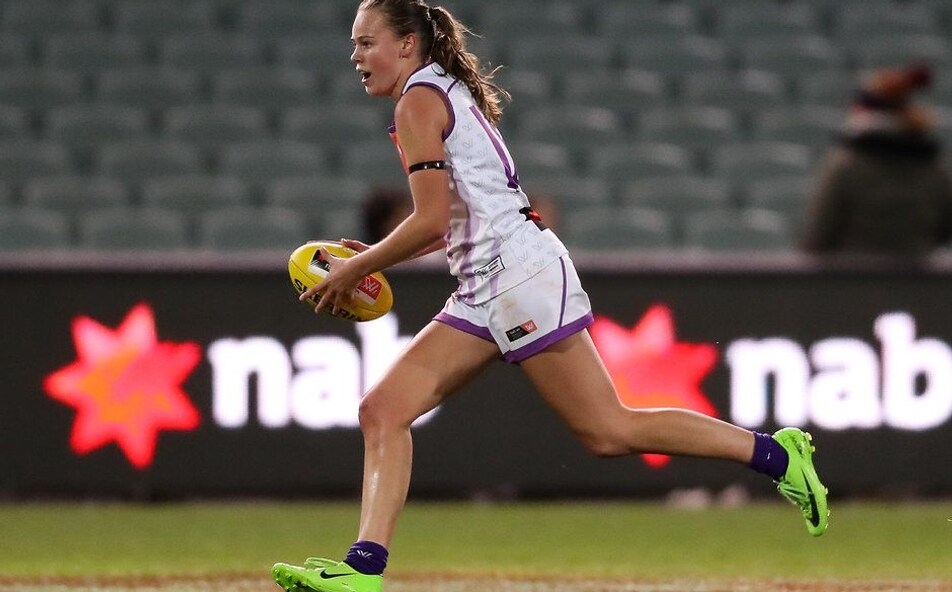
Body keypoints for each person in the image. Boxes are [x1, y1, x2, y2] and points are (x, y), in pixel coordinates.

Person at [272, 2, 829, 591]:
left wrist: (359, 266)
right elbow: (453, 221)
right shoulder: (433, 92)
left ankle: (775, 455)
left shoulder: (417, 101)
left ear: (407, 44)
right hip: (487, 280)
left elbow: (433, 219)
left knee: (609, 430)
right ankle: (363, 570)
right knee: (383, 411)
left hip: (516, 277)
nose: (356, 56)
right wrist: (378, 253)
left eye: (366, 42)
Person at [802, 65, 952, 257]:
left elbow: (818, 235)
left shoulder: (845, 165)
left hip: (852, 274)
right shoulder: (933, 167)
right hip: (916, 273)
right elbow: (945, 228)